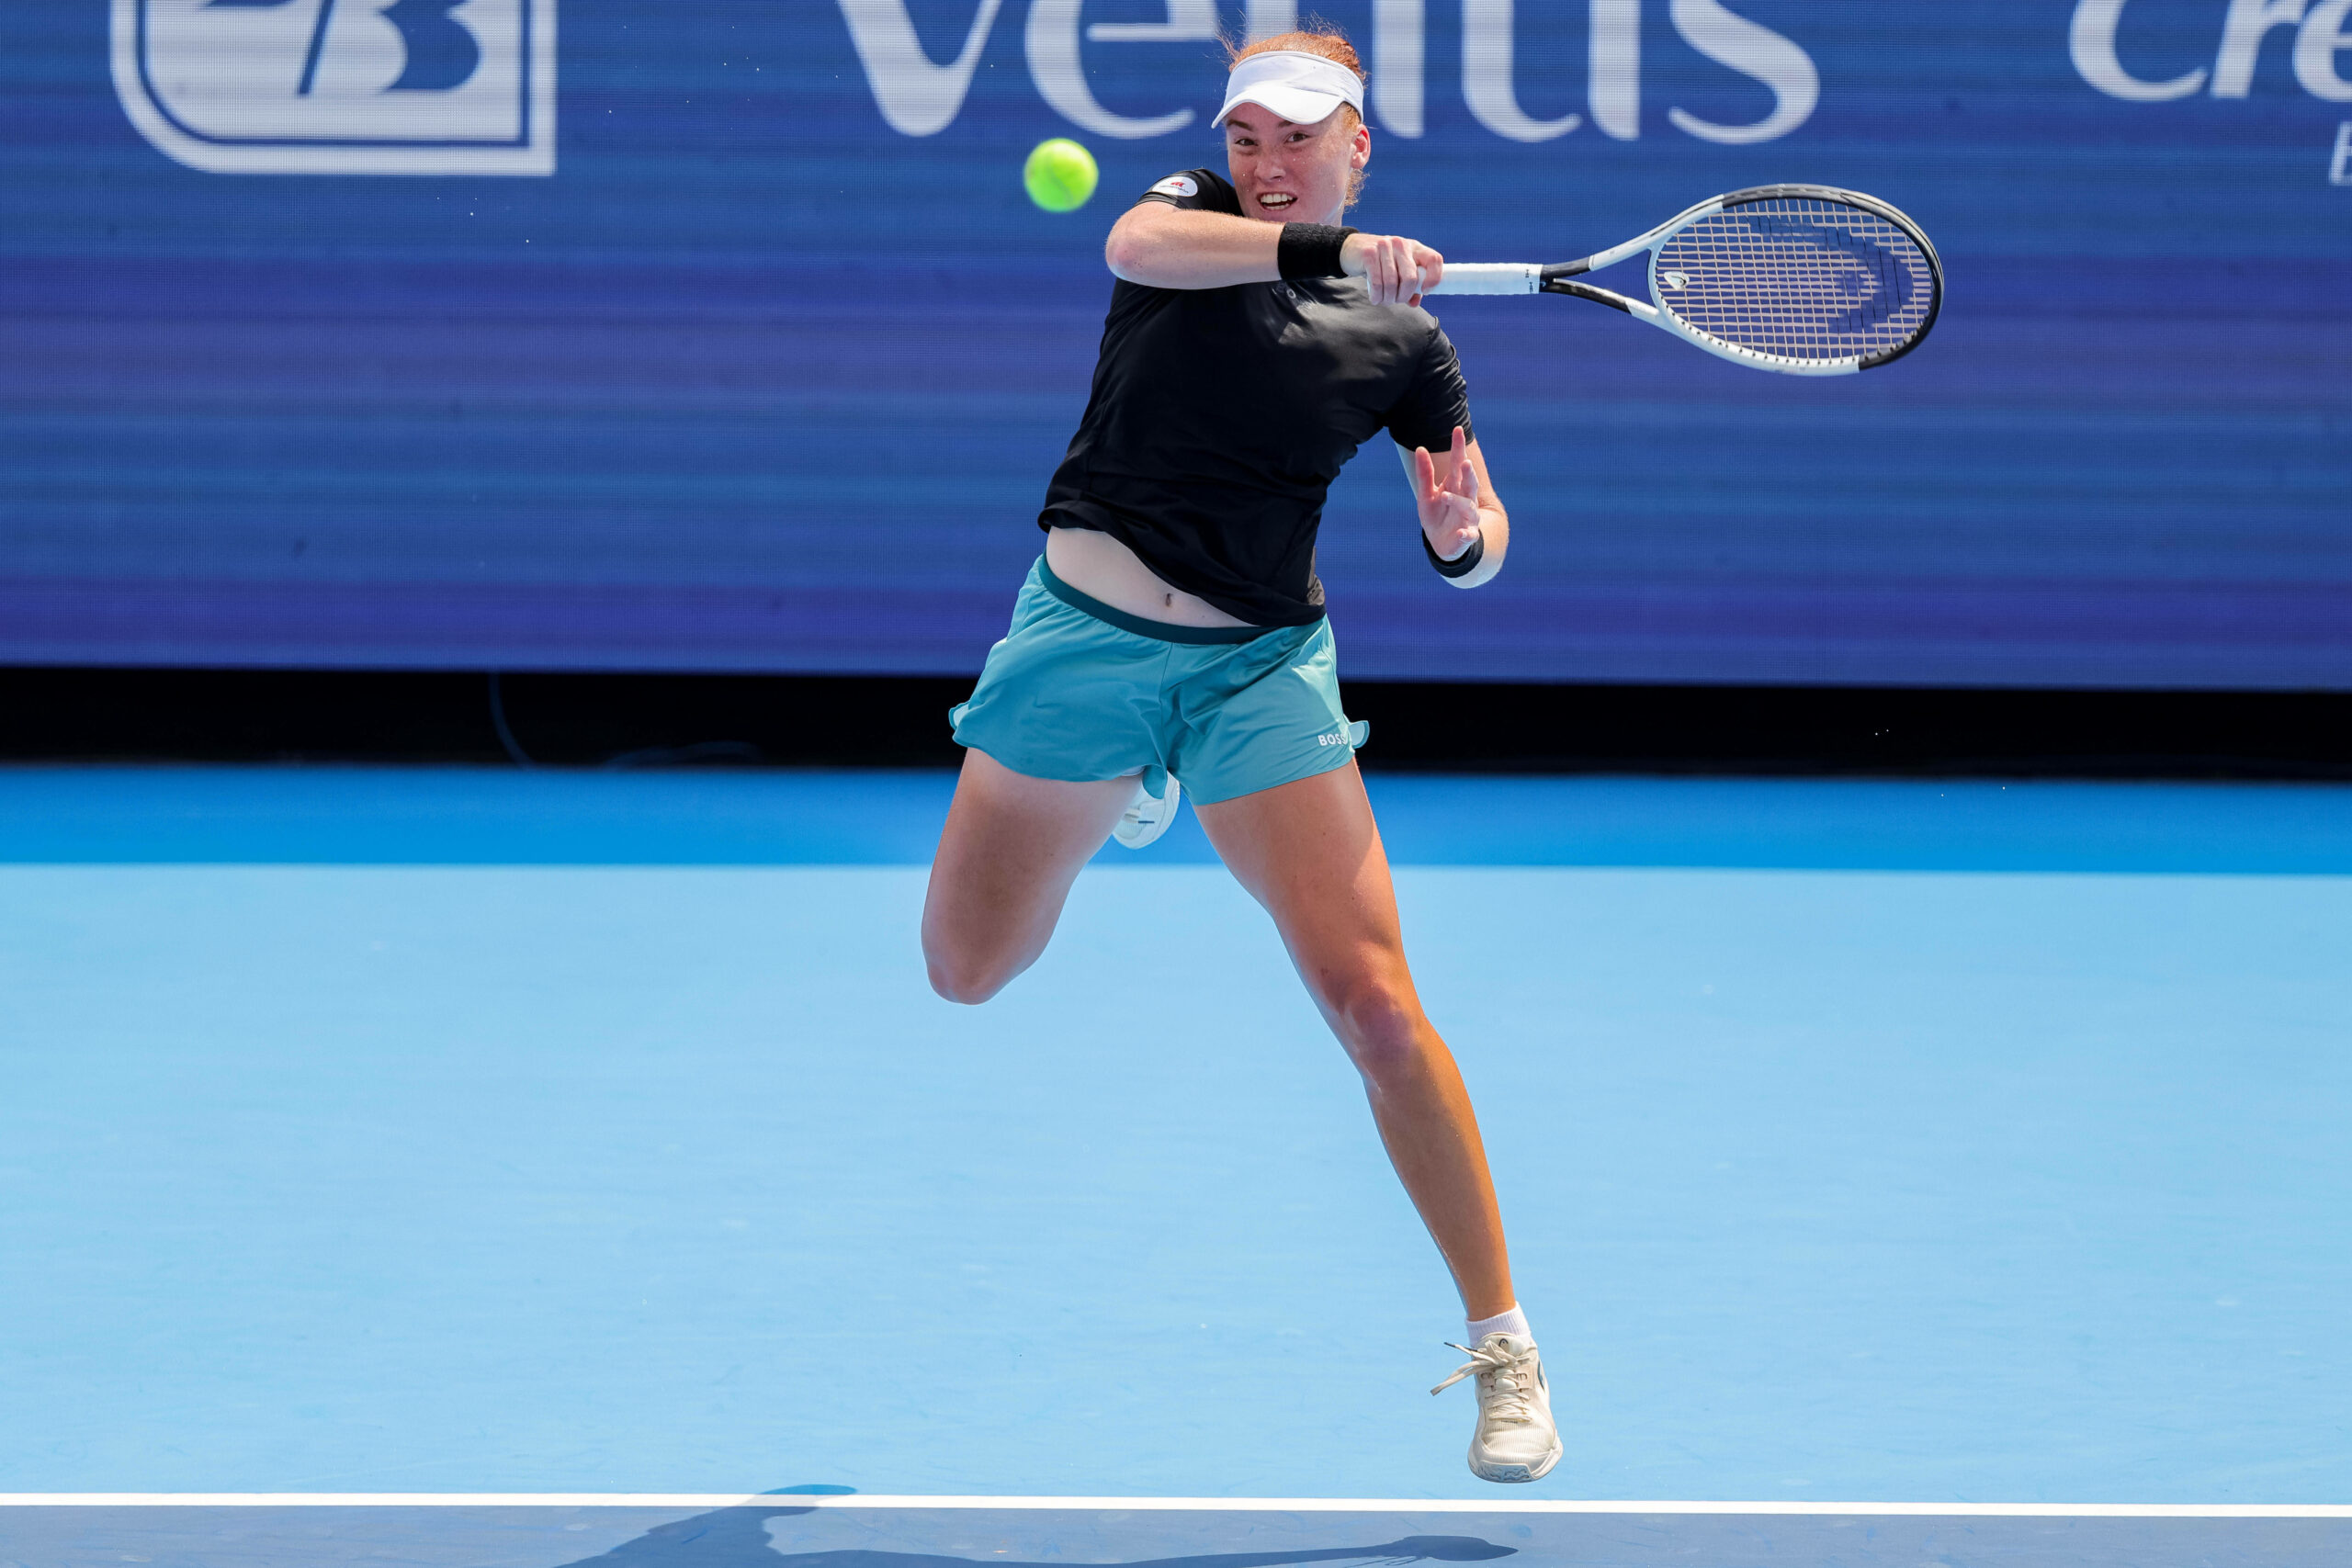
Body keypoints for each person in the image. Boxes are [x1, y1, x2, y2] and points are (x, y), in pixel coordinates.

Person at [921, 28, 1560, 1484]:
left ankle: (1505, 1343)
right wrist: (1329, 248)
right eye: (1249, 136)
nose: (1267, 161)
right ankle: (1131, 776)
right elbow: (1136, 244)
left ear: (1357, 142)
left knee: (1377, 1010)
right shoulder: (1188, 220)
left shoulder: (1408, 342)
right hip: (1084, 644)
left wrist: (1458, 538)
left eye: (1300, 137)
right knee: (966, 969)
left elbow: (1479, 523)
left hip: (1259, 671)